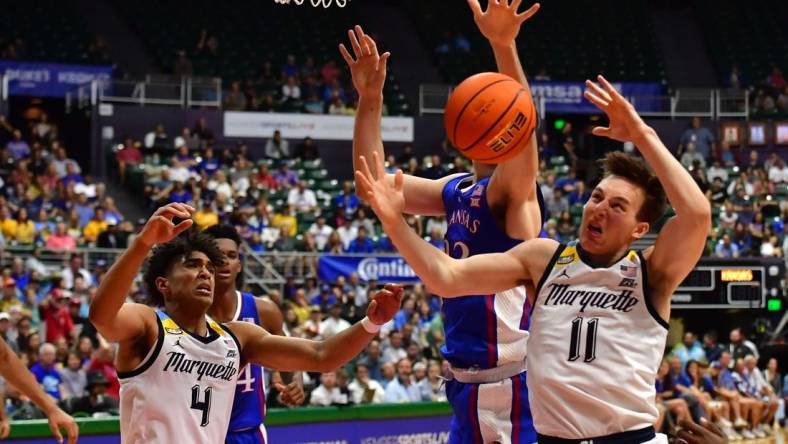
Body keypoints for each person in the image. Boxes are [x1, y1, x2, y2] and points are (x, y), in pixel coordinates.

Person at [357, 75, 711, 441]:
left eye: (618, 206)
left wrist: (641, 134)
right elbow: (445, 277)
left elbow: (697, 215)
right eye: (597, 197)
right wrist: (393, 221)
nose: (600, 209)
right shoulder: (544, 260)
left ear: (640, 229)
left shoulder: (650, 274)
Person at [341, 1, 544, 440]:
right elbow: (372, 184)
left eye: (490, 113)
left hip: (515, 385)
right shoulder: (456, 190)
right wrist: (370, 101)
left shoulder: (515, 197)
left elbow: (523, 127)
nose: (484, 117)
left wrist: (503, 46)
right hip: (463, 385)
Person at [88, 203, 402, 443]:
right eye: (193, 265)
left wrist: (372, 322)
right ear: (163, 284)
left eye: (210, 268)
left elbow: (322, 356)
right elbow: (102, 316)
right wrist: (142, 244)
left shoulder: (237, 338)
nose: (206, 273)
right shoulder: (149, 325)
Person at [203, 224, 305, 444]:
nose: (225, 262)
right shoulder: (185, 316)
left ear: (239, 265)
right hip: (201, 433)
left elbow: (290, 360)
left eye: (231, 256)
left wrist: (295, 382)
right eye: (218, 256)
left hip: (248, 433)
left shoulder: (264, 311)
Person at [0, 337, 78, 443]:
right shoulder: (36, 370)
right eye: (47, 354)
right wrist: (51, 409)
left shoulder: (55, 371)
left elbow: (4, 358)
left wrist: (3, 418)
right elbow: (4, 359)